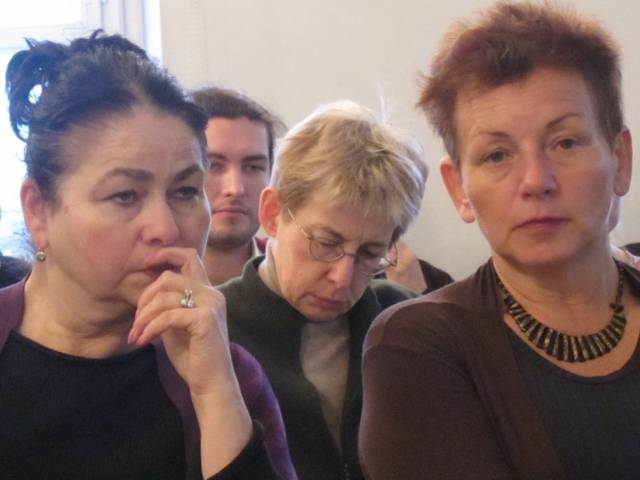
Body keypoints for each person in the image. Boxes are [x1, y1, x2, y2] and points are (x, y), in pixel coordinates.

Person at [359, 2, 640, 479]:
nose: (536, 181)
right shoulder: (415, 347)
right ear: (459, 190)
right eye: (496, 155)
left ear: (620, 160)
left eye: (565, 142)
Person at [0, 31, 295, 479]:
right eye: (124, 195)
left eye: (185, 191)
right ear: (39, 210)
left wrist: (215, 394)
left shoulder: (228, 374)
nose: (167, 228)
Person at [218, 100, 427, 480]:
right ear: (272, 213)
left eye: (370, 253)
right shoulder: (217, 328)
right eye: (326, 243)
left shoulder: (405, 321)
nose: (342, 278)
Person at [191, 86, 284, 285]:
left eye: (252, 167)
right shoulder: (138, 282)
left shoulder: (296, 283)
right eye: (213, 165)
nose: (235, 189)